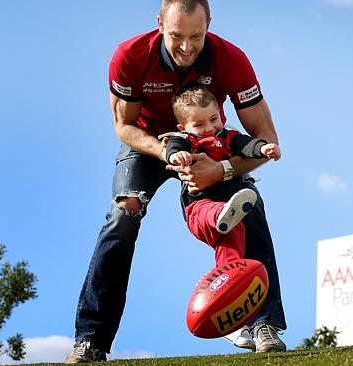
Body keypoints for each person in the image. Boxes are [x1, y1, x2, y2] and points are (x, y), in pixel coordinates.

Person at [66, 0, 287, 362]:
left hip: (208, 146)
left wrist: (222, 171)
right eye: (176, 36)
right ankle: (91, 340)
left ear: (209, 25)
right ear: (159, 25)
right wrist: (167, 151)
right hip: (149, 144)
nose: (186, 46)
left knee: (250, 202)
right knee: (123, 216)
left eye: (196, 36)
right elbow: (123, 126)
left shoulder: (231, 59)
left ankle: (263, 324)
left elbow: (265, 136)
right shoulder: (130, 56)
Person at [165, 85, 281, 269]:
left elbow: (246, 145)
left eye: (213, 119)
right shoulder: (185, 140)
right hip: (199, 207)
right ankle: (222, 213)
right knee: (218, 213)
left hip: (231, 214)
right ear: (183, 127)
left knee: (233, 234)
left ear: (220, 114)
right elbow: (173, 149)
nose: (210, 128)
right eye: (199, 124)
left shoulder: (228, 136)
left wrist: (262, 148)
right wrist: (176, 156)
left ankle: (230, 273)